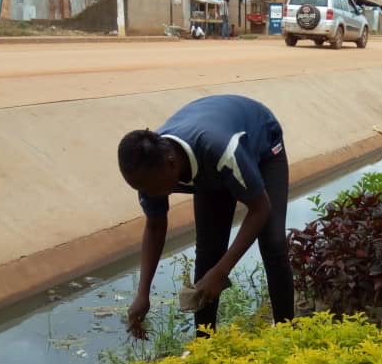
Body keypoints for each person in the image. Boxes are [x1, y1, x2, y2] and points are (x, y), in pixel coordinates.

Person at [117, 95, 293, 339]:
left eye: (149, 188)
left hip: (261, 146)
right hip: (209, 166)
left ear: (170, 163)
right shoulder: (149, 169)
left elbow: (260, 208)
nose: (147, 194)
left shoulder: (220, 150)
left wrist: (221, 273)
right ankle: (205, 345)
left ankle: (288, 333)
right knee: (208, 253)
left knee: (273, 242)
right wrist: (142, 293)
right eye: (139, 188)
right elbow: (155, 226)